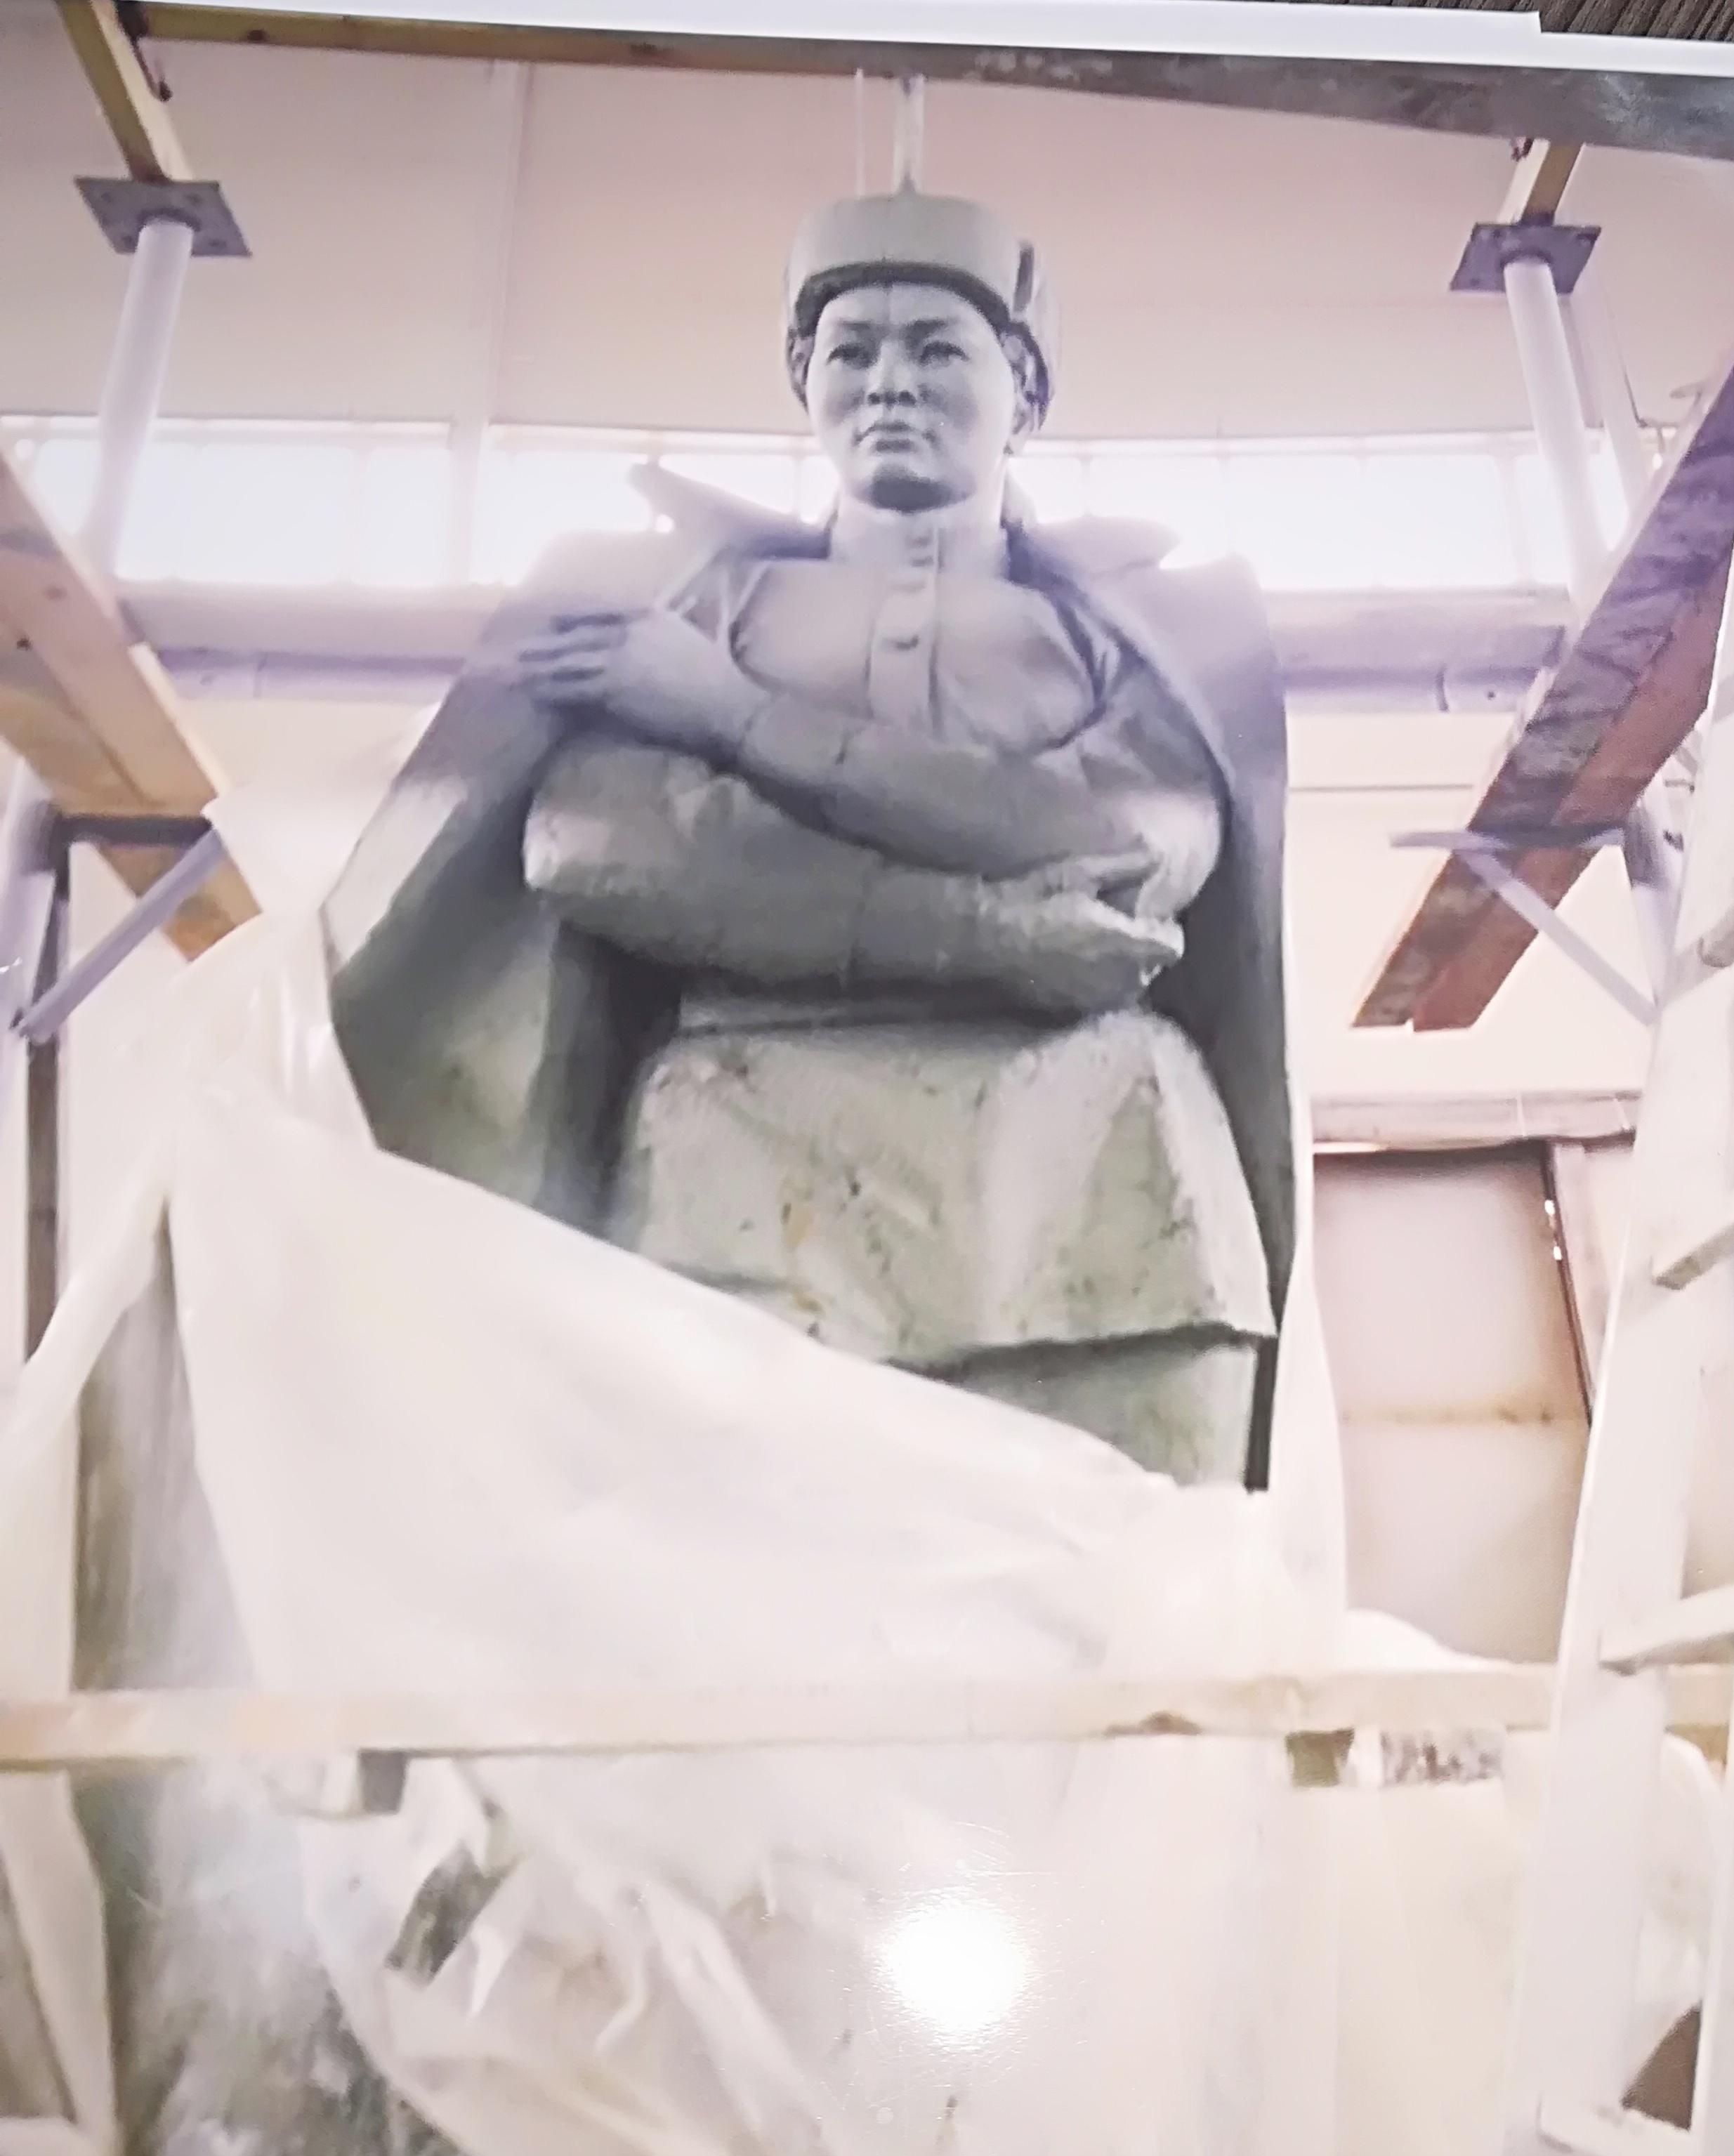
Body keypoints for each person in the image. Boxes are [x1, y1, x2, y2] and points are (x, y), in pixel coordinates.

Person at [326, 187, 1294, 1485]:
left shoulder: (1134, 633)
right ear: (805, 382)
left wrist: (731, 716)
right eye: (851, 350)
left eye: (934, 348)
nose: (888, 381)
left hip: (1101, 1184)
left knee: (1128, 1593)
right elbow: (610, 847)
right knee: (738, 1590)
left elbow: (1124, 844)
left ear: (1023, 388)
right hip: (738, 1163)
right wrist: (984, 930)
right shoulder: (692, 600)